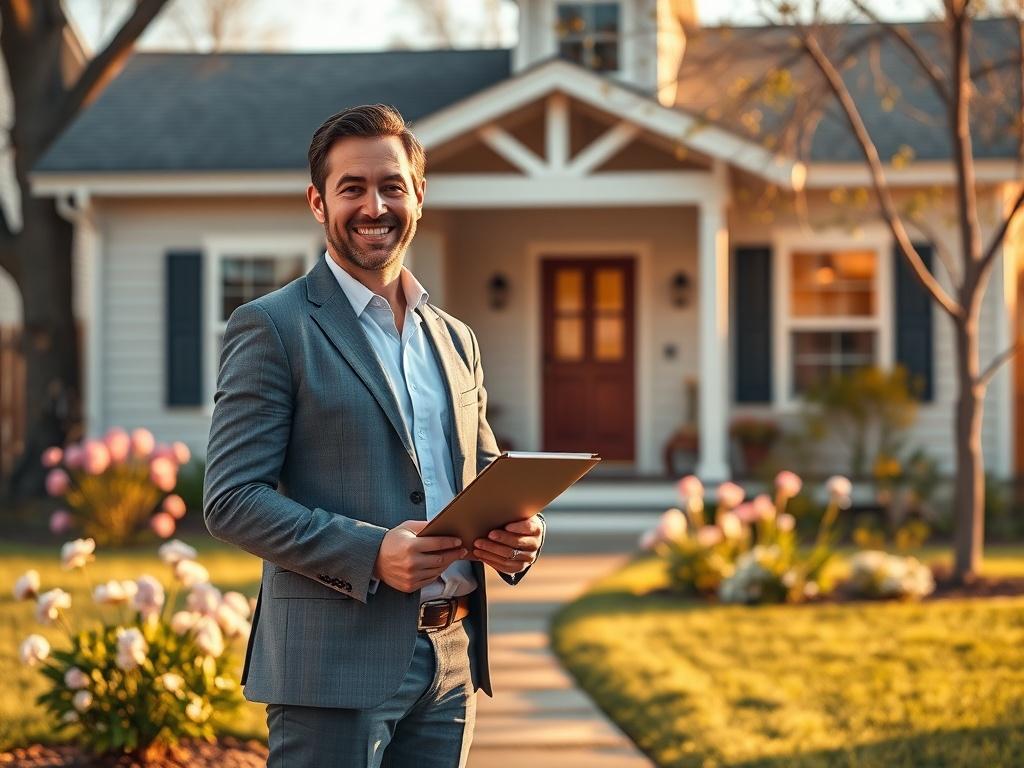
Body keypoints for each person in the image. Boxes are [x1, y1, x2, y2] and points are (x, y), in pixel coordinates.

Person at [203, 103, 545, 767]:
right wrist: (371, 552)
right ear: (317, 201)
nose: (374, 206)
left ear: (419, 193)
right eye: (351, 188)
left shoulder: (454, 338)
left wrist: (519, 536)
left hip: (451, 663)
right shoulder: (273, 328)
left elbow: (478, 478)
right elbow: (230, 499)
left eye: (391, 186)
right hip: (332, 664)